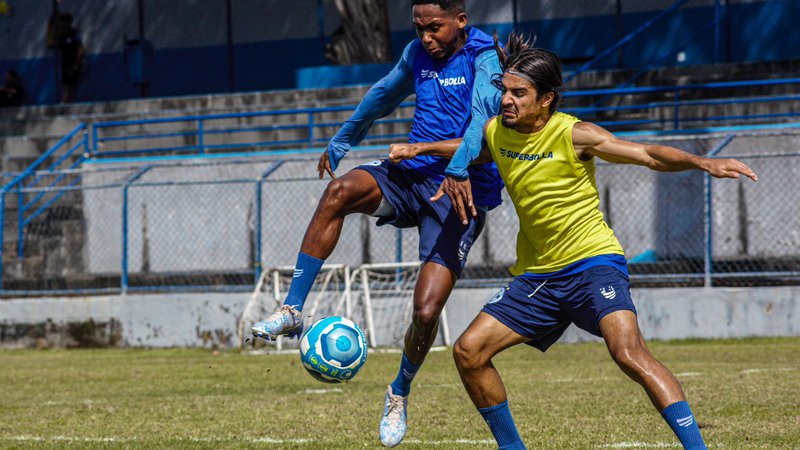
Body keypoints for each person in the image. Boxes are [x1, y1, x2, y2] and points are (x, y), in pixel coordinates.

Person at [431, 33, 757, 450]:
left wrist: (701, 161)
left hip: (592, 262)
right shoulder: (497, 131)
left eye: (519, 93)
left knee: (628, 352)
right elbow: (472, 148)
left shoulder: (576, 135)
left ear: (546, 98)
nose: (507, 100)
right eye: (504, 91)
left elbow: (648, 154)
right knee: (468, 352)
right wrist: (416, 149)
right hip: (537, 276)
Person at [249, 0, 503, 447]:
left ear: (461, 21)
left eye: (435, 28)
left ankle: (399, 391)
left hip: (460, 191)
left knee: (426, 311)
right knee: (339, 192)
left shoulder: (485, 56)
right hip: (409, 174)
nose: (426, 37)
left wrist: (459, 167)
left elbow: (483, 123)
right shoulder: (418, 54)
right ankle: (291, 311)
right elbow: (383, 94)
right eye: (419, 28)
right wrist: (344, 138)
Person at [58, 12, 84, 103]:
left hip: (72, 63)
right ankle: (65, 101)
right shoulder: (61, 35)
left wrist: (77, 63)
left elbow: (80, 49)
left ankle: (64, 102)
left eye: (65, 22)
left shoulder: (74, 34)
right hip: (65, 63)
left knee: (68, 84)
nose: (63, 24)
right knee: (65, 83)